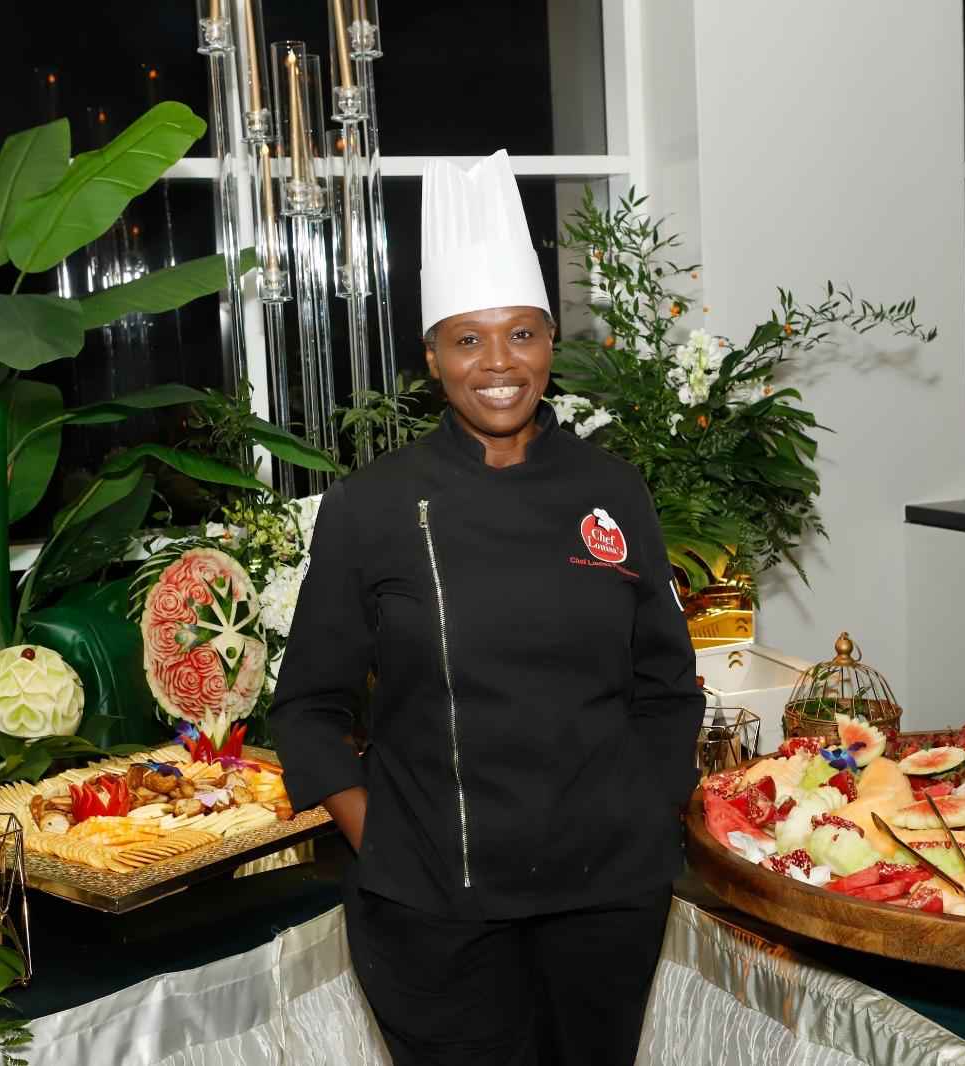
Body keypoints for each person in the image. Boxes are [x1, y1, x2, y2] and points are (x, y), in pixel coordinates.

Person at [268, 150, 704, 1065]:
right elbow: (308, 706)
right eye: (468, 340)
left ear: (551, 344)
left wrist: (649, 815)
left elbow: (666, 684)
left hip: (606, 901)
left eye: (522, 334)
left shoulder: (612, 490)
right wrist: (382, 841)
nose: (499, 364)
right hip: (436, 912)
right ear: (433, 358)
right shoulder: (371, 506)